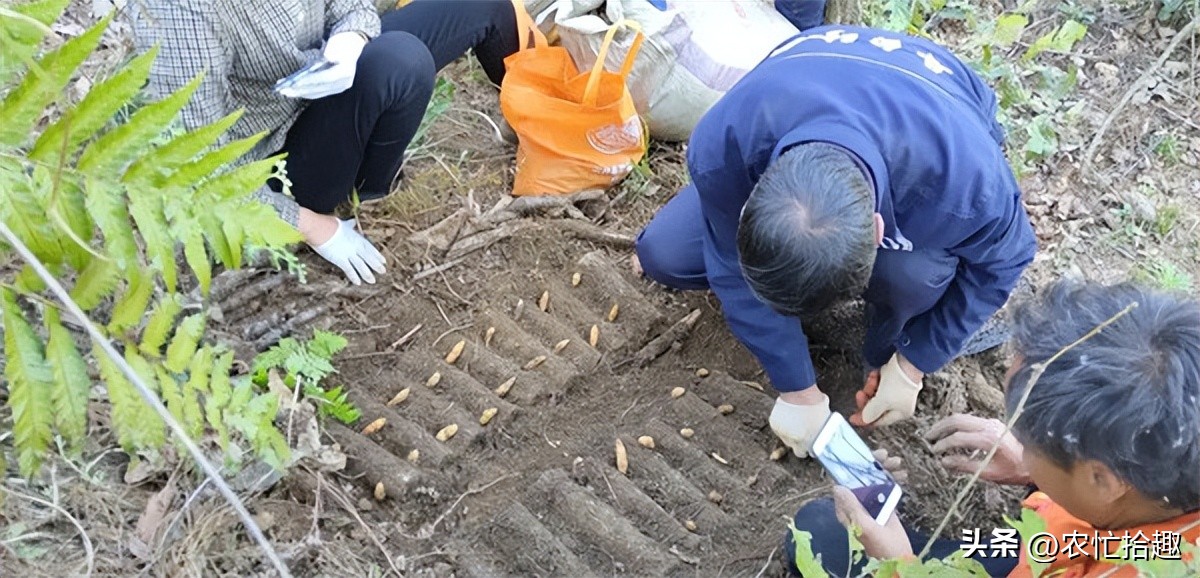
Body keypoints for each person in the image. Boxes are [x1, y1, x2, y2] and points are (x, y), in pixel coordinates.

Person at [633, 24, 1037, 456]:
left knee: (911, 276)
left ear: (881, 231)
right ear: (750, 202)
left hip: (932, 106)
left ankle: (884, 343)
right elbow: (732, 266)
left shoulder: (965, 188)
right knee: (665, 254)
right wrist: (797, 389)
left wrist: (916, 361)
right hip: (811, 89)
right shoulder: (723, 141)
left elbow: (1005, 262)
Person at [785, 280, 1200, 577]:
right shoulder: (1158, 484)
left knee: (819, 534)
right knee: (832, 530)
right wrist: (1030, 467)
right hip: (1067, 546)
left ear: (1103, 480)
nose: (1012, 436)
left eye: (1026, 434)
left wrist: (899, 567)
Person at [131, 0, 518, 285]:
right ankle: (368, 196)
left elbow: (351, 6)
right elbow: (197, 169)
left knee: (482, 5)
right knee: (401, 61)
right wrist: (317, 229)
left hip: (324, 78)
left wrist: (351, 38)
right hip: (271, 161)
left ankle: (549, 124)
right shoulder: (178, 14)